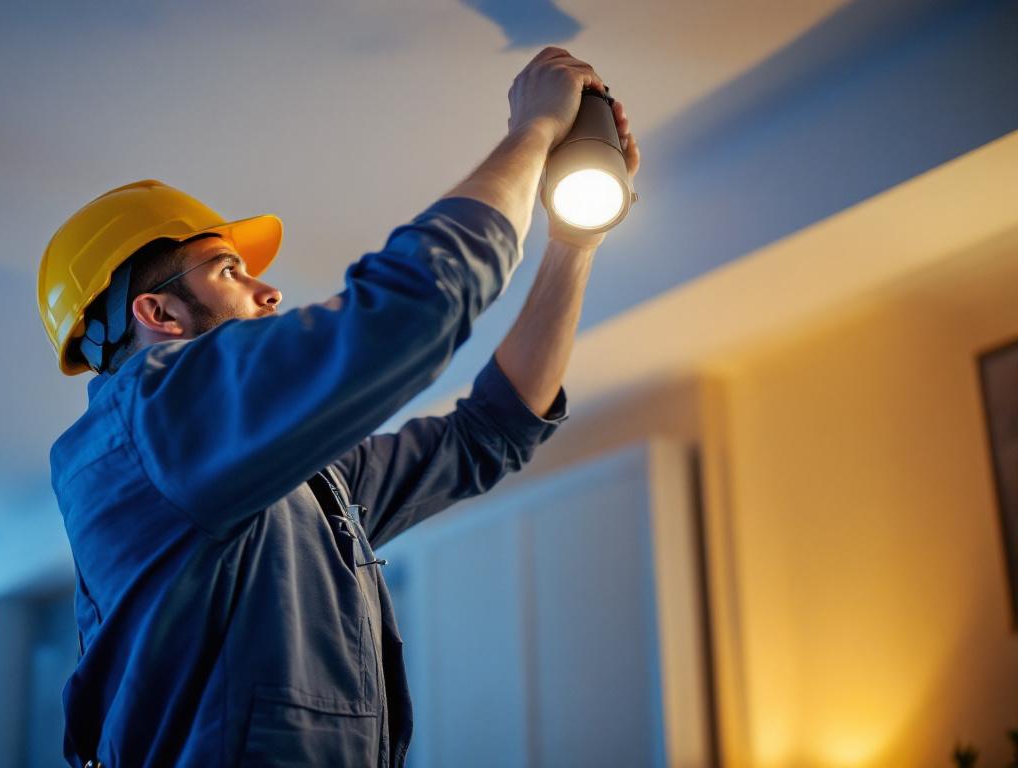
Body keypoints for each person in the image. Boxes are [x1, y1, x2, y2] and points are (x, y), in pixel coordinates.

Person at [36, 46, 641, 768]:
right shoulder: (147, 429)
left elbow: (491, 432)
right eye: (230, 269)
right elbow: (413, 309)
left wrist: (573, 243)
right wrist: (532, 133)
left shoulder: (299, 482)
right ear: (159, 312)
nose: (270, 291)